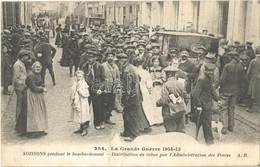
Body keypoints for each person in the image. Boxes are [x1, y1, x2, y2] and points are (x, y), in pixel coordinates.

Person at [117, 53, 149, 141]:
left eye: (119, 61)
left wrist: (124, 99)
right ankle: (127, 132)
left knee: (131, 116)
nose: (118, 63)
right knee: (126, 115)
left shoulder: (126, 71)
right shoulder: (131, 67)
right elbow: (139, 78)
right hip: (136, 95)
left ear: (122, 61)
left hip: (131, 97)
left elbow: (127, 88)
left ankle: (134, 135)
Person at [216, 51, 247, 134]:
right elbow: (244, 80)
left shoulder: (227, 66)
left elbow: (222, 78)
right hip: (235, 91)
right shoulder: (240, 67)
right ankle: (231, 126)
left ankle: (224, 127)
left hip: (225, 91)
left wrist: (216, 86)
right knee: (231, 108)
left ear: (230, 57)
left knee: (223, 109)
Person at [192, 63, 222, 145]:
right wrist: (198, 105)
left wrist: (217, 99)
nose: (211, 73)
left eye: (212, 71)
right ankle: (210, 143)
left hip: (207, 105)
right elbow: (195, 94)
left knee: (201, 124)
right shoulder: (202, 79)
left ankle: (196, 139)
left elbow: (212, 90)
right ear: (205, 71)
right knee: (207, 125)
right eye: (209, 71)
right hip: (203, 106)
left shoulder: (209, 78)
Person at [16, 61, 48, 137]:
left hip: (36, 96)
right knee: (32, 113)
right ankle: (32, 131)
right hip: (31, 96)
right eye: (36, 67)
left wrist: (42, 85)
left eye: (39, 67)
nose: (38, 68)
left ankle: (39, 129)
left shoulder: (37, 74)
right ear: (33, 68)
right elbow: (33, 87)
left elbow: (39, 83)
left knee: (38, 113)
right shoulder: (31, 76)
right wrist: (42, 89)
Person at [156, 65, 189, 133]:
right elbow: (186, 97)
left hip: (169, 112)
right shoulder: (181, 84)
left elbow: (164, 100)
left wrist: (157, 103)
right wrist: (181, 104)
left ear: (168, 75)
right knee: (179, 132)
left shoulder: (166, 85)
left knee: (170, 133)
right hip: (180, 112)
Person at [84, 51, 105, 130]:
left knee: (97, 107)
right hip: (86, 90)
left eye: (92, 57)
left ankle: (97, 122)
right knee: (86, 107)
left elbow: (104, 80)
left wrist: (100, 89)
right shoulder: (84, 66)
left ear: (96, 58)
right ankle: (85, 123)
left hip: (97, 90)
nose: (90, 59)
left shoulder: (100, 67)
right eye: (88, 57)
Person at [133, 57, 155, 126]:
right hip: (143, 89)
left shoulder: (134, 71)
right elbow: (149, 84)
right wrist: (149, 90)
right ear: (142, 63)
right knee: (146, 104)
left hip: (136, 89)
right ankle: (148, 121)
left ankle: (137, 122)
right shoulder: (145, 72)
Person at [102, 51, 120, 125]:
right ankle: (102, 119)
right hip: (106, 88)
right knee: (104, 104)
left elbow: (118, 77)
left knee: (111, 104)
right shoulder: (103, 66)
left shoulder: (115, 67)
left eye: (111, 56)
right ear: (106, 58)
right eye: (108, 56)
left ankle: (108, 118)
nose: (110, 58)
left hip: (113, 88)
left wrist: (118, 86)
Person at [70, 70, 90, 136]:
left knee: (83, 114)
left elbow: (86, 93)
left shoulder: (84, 84)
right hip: (77, 101)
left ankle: (85, 129)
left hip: (83, 101)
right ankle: (81, 128)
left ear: (83, 77)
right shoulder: (76, 83)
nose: (78, 78)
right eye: (77, 76)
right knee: (78, 114)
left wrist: (80, 91)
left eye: (80, 76)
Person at [13, 50, 31, 121]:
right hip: (20, 87)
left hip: (22, 87)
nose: (27, 58)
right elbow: (16, 79)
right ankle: (18, 120)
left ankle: (20, 120)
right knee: (20, 104)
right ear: (22, 57)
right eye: (26, 56)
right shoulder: (17, 65)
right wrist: (23, 86)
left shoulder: (21, 63)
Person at [149, 56, 165, 126]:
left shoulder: (161, 69)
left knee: (158, 103)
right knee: (151, 103)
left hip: (159, 88)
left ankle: (158, 120)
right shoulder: (150, 69)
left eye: (157, 61)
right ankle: (152, 120)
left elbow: (164, 79)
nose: (156, 63)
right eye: (154, 61)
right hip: (152, 88)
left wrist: (157, 80)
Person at [247, 46, 260, 113]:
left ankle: (250, 108)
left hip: (254, 79)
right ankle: (258, 108)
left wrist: (247, 78)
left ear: (255, 52)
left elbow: (248, 71)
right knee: (258, 93)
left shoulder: (253, 61)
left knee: (251, 93)